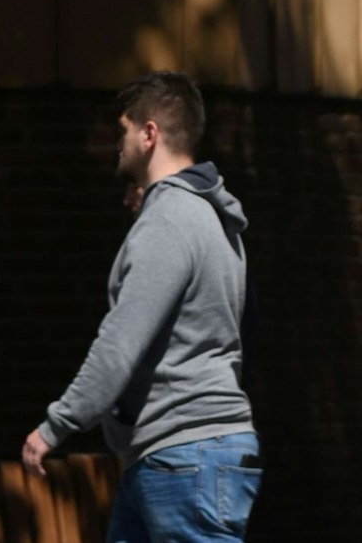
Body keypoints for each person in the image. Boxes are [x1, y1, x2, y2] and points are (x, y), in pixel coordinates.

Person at [23, 72, 258, 542]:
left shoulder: (170, 219)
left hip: (185, 453)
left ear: (149, 134)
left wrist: (56, 425)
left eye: (124, 131)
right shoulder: (212, 219)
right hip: (175, 452)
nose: (118, 144)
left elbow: (120, 343)